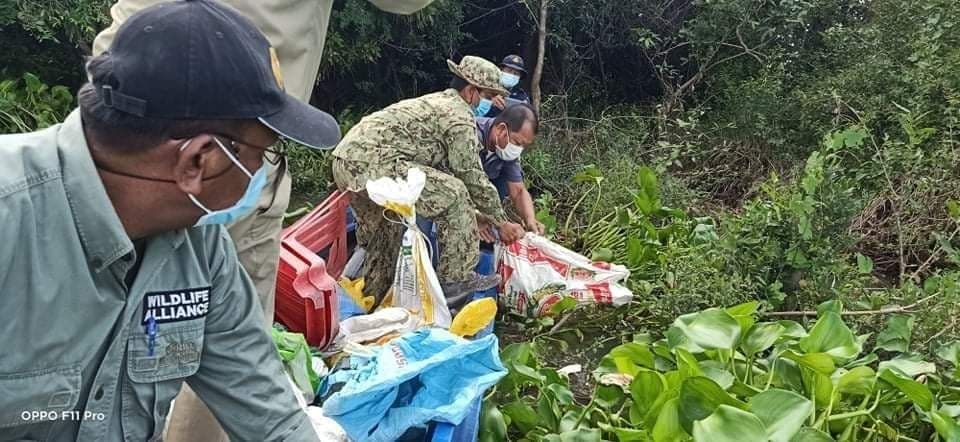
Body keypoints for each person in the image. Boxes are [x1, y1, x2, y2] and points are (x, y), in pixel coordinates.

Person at [92, 1, 435, 440]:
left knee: (222, 341)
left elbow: (242, 368)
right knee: (123, 331)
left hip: (185, 137)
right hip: (183, 142)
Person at [0, 1, 339, 440]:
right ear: (198, 160)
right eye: (263, 155)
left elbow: (272, 419)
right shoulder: (11, 220)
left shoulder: (204, 253)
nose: (262, 176)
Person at [331, 56, 527, 303]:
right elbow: (469, 175)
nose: (490, 102)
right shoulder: (458, 116)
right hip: (372, 162)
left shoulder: (439, 104)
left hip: (348, 161)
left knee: (388, 234)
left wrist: (475, 214)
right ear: (470, 92)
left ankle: (373, 299)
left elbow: (444, 169)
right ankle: (454, 281)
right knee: (455, 193)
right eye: (487, 96)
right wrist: (501, 222)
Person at [476, 103, 545, 239]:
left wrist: (530, 219)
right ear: (501, 130)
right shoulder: (471, 134)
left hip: (478, 196)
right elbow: (460, 183)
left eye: (524, 146)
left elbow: (518, 191)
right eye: (518, 143)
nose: (519, 149)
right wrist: (475, 217)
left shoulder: (506, 149)